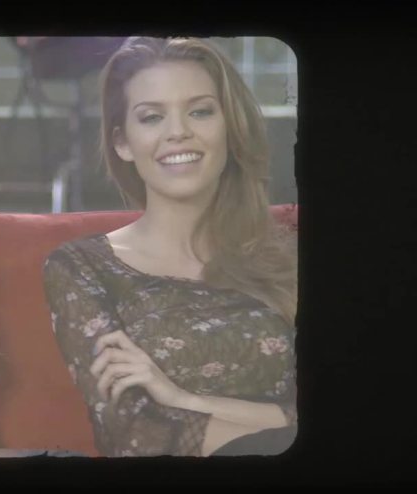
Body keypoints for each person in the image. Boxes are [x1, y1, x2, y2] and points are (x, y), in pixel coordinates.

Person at [43, 37, 298, 456]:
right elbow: (135, 433)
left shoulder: (287, 257)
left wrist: (184, 399)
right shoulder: (81, 267)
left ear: (230, 128)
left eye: (200, 111)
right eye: (152, 117)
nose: (178, 132)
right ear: (123, 143)